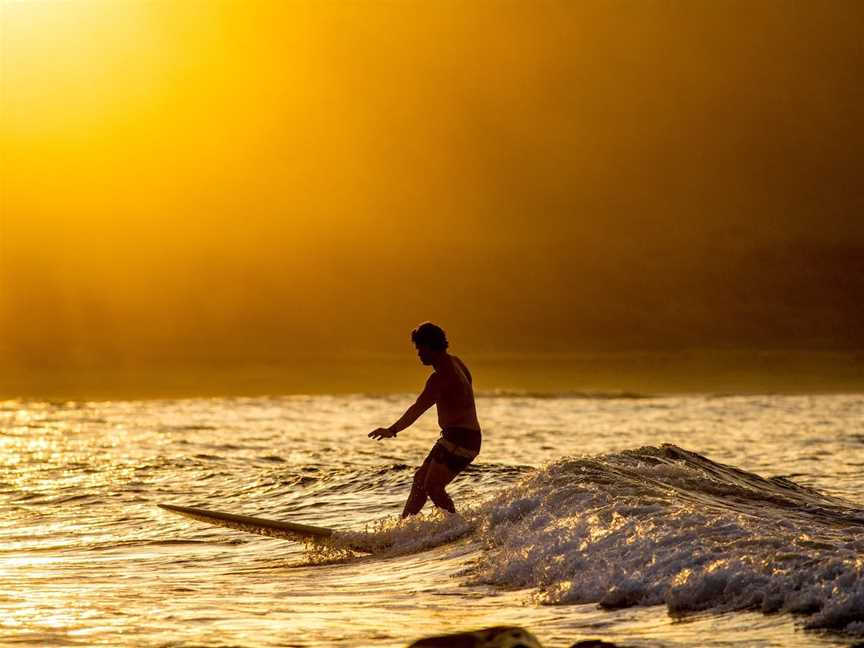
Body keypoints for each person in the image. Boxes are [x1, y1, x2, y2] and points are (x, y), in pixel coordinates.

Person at [369, 322, 481, 517]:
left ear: (431, 346)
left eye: (420, 348)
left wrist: (392, 430)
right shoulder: (456, 362)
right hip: (459, 437)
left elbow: (417, 408)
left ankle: (456, 526)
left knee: (433, 487)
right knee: (420, 480)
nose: (419, 353)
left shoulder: (440, 378)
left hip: (461, 438)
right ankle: (403, 528)